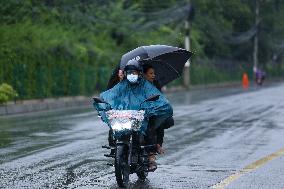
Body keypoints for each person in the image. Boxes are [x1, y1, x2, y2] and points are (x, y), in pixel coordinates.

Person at [96, 59, 173, 171]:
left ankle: (150, 156)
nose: (132, 75)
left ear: (139, 73)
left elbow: (159, 99)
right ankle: (116, 151)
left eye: (134, 72)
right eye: (129, 72)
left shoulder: (145, 85)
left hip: (141, 116)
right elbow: (111, 94)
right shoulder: (122, 84)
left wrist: (149, 109)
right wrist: (104, 102)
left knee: (149, 129)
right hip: (125, 116)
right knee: (113, 129)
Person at [143, 64, 174, 154]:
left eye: (154, 73)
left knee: (158, 120)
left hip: (153, 110)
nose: (153, 75)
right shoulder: (138, 85)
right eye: (151, 73)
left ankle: (157, 145)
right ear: (144, 75)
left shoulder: (156, 84)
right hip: (139, 111)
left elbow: (161, 98)